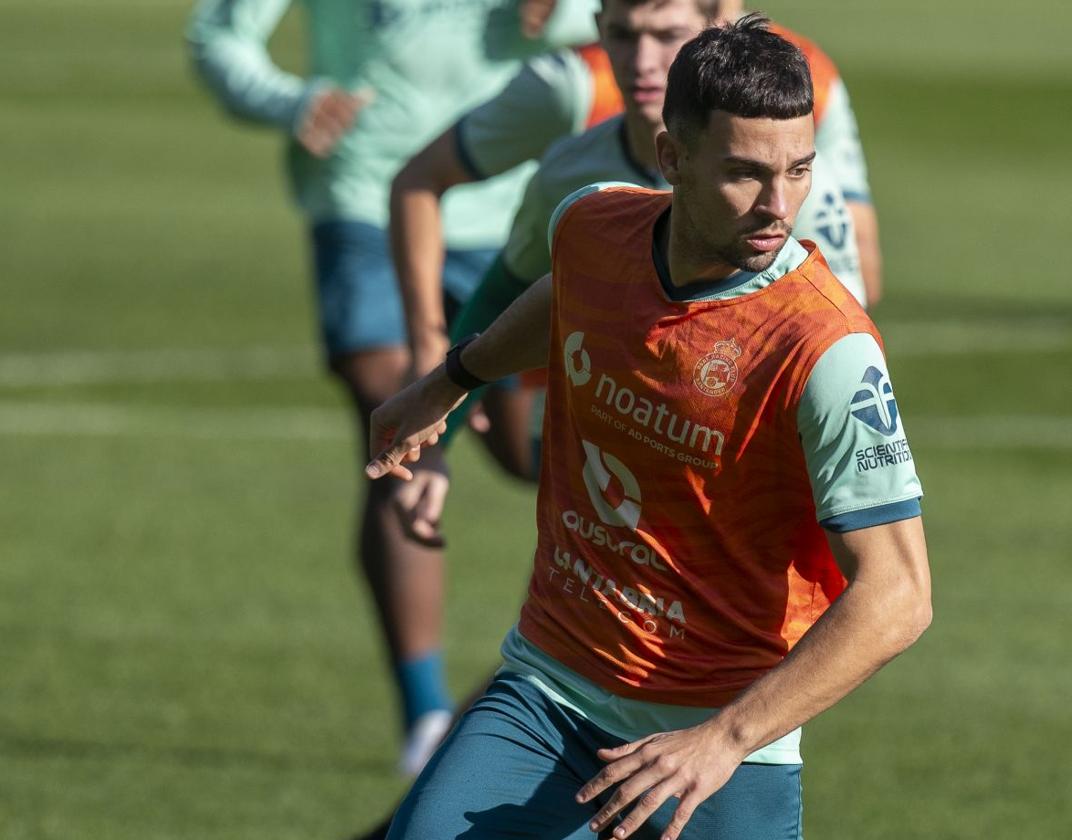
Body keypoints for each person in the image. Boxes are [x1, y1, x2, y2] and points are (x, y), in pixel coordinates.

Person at [366, 16, 931, 838]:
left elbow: (901, 596)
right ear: (672, 159)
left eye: (798, 170)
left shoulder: (827, 350)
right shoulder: (594, 222)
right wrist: (451, 382)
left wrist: (723, 739)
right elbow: (570, 288)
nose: (778, 207)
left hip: (717, 739)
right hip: (549, 695)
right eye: (743, 173)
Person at [185, 0, 598, 773]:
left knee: (528, 454)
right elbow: (216, 35)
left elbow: (640, 29)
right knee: (395, 427)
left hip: (500, 206)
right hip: (366, 195)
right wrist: (294, 100)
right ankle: (425, 722)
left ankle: (593, 672)